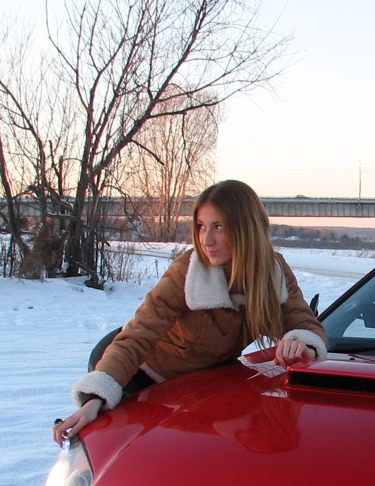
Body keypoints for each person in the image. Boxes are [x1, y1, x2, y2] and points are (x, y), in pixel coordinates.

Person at [53, 180, 328, 445]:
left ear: (245, 228)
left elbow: (305, 323)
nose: (207, 239)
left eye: (218, 226)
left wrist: (302, 343)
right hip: (135, 371)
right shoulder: (188, 272)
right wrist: (96, 397)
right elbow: (139, 333)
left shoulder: (272, 273)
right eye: (201, 226)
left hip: (197, 383)